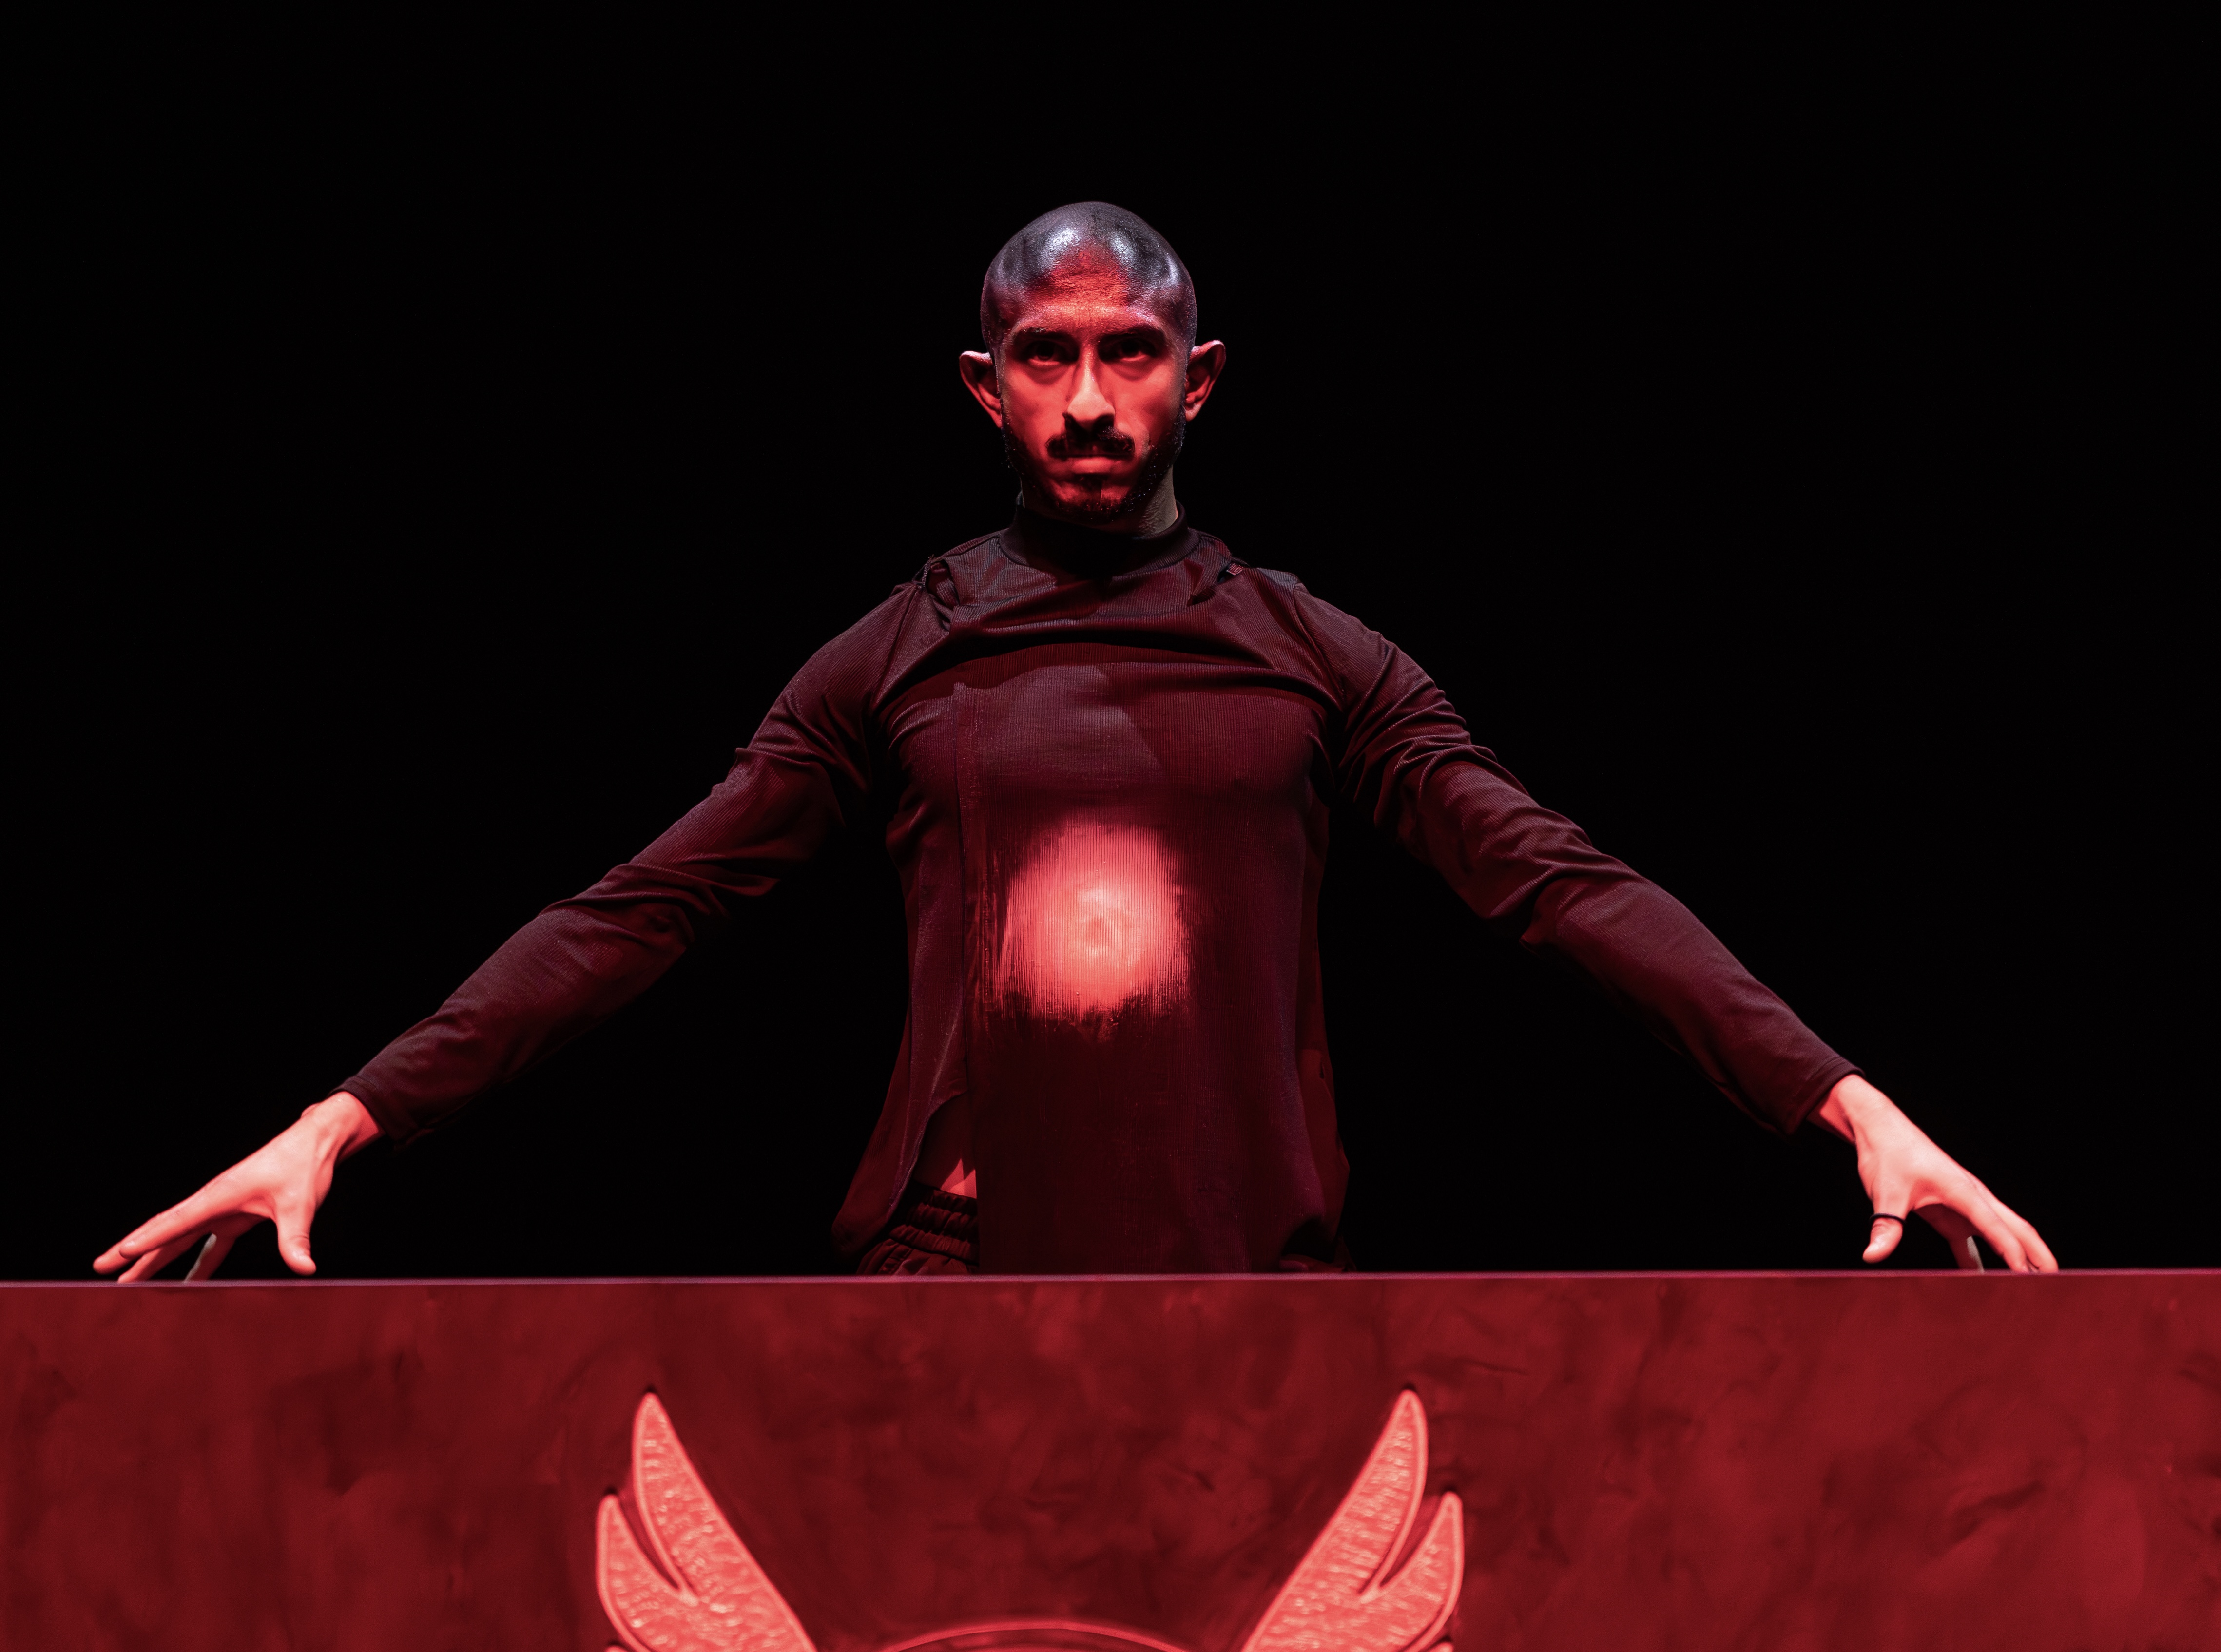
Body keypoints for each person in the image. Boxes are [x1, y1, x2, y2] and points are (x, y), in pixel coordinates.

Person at [97, 202, 2056, 1282]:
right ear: (987, 387)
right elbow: (644, 911)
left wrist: (1846, 1101)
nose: (1093, 398)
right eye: (1050, 355)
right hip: (942, 1283)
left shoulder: (1312, 656)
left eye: (1132, 352)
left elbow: (1558, 885)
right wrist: (341, 1119)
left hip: (1254, 1289)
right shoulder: (904, 653)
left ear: (1201, 378)